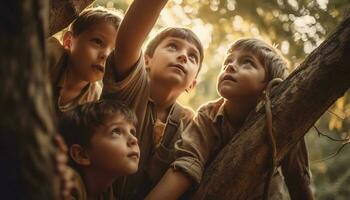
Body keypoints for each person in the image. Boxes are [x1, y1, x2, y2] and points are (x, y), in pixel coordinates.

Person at [147, 38, 314, 200]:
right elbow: (188, 163)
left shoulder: (282, 119)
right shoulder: (207, 116)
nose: (231, 66)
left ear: (269, 85)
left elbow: (298, 180)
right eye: (227, 62)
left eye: (247, 62)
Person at [101, 0, 204, 199]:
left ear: (192, 84)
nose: (183, 56)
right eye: (173, 47)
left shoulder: (190, 123)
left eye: (193, 57)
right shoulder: (130, 88)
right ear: (146, 60)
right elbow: (126, 41)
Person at [59, 99, 139, 200]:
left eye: (132, 132)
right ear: (81, 154)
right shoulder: (64, 189)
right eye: (116, 131)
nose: (134, 139)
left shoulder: (106, 194)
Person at [47, 7, 122, 114]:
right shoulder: (50, 56)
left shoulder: (95, 99)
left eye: (114, 52)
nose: (106, 55)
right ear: (68, 41)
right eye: (97, 41)